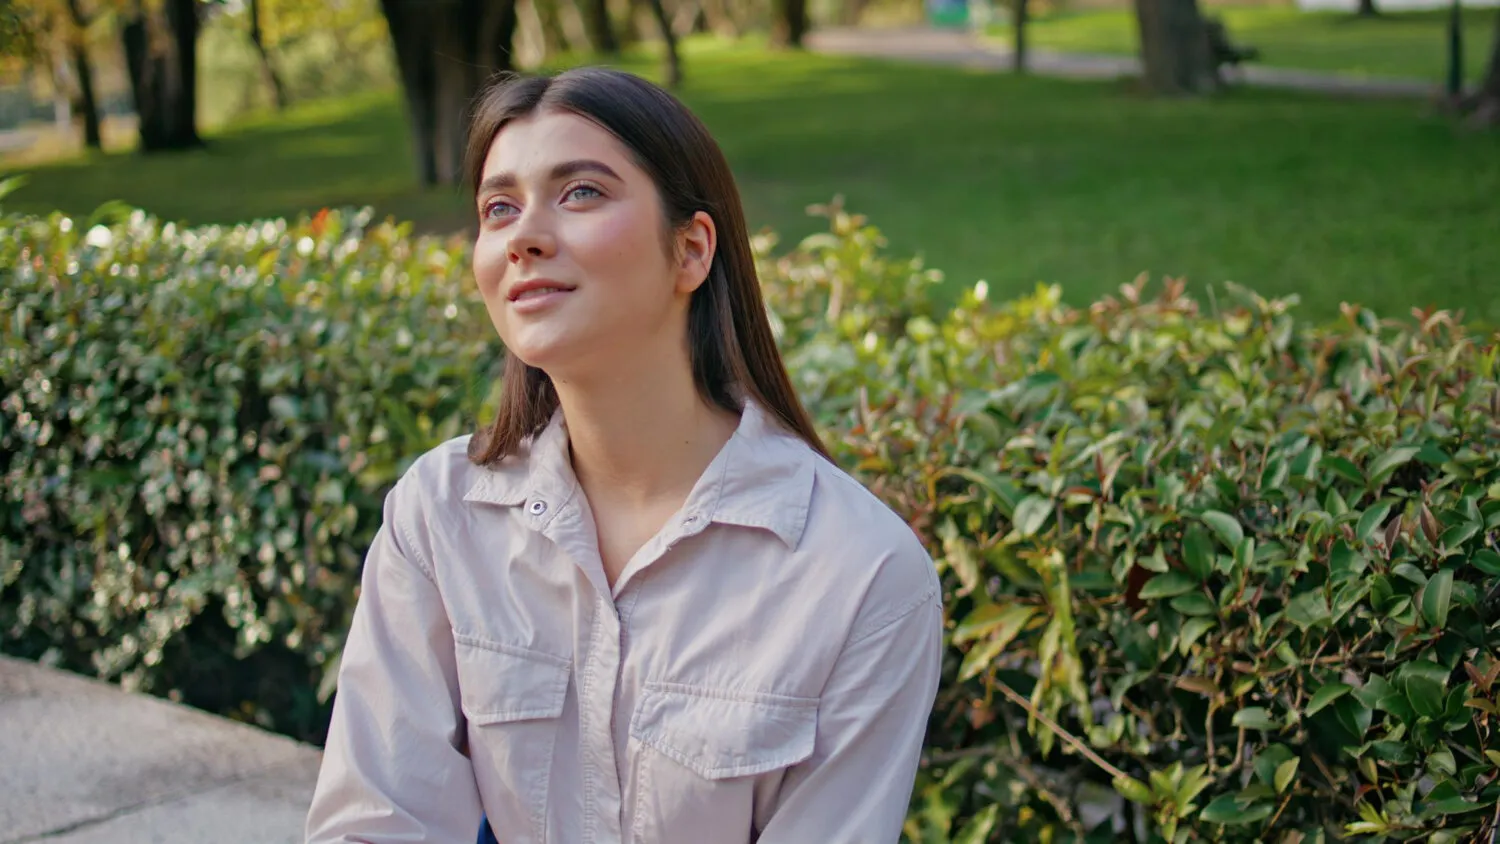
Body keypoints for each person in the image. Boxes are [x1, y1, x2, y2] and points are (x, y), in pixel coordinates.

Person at [303, 66, 943, 844]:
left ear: (691, 250)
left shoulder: (861, 576)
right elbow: (376, 821)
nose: (525, 237)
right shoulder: (439, 515)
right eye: (498, 207)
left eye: (581, 193)